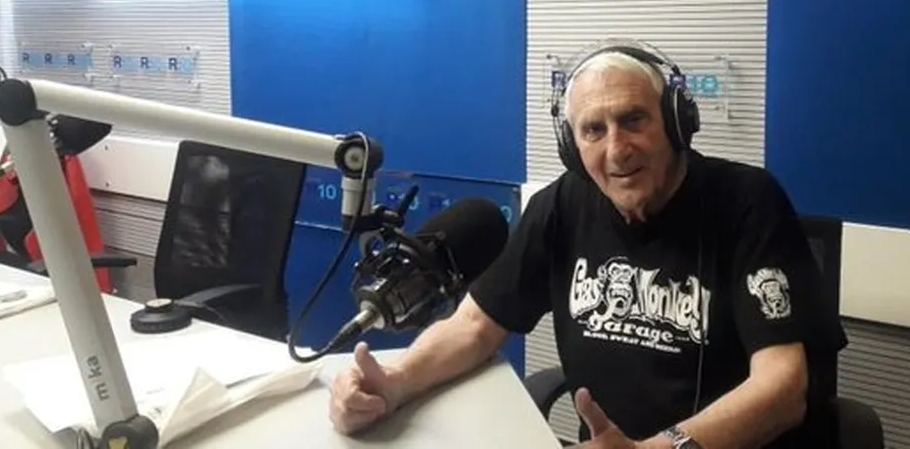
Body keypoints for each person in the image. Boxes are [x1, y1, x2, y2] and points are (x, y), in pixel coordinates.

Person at [329, 40, 849, 448]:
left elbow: (782, 389)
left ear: (675, 121)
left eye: (634, 120)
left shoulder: (748, 202)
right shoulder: (562, 205)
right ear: (571, 146)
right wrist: (395, 381)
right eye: (593, 130)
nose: (617, 149)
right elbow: (475, 325)